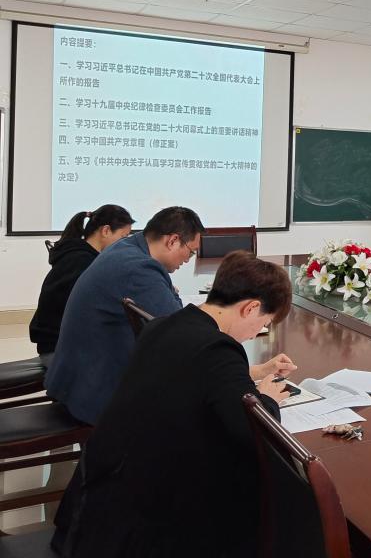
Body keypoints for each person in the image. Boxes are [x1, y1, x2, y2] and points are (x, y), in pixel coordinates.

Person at [53, 251, 297, 558]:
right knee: (264, 495)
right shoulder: (219, 349)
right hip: (141, 525)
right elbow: (252, 432)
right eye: (265, 322)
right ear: (250, 308)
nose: (256, 333)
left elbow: (194, 374)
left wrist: (255, 372)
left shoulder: (167, 324)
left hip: (97, 498)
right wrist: (267, 399)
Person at [45, 206, 205, 424]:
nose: (188, 260)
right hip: (94, 392)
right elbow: (180, 327)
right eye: (191, 251)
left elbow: (171, 306)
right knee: (195, 401)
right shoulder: (138, 268)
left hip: (76, 376)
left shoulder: (127, 248)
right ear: (173, 241)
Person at [30, 206, 135, 362]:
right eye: (123, 237)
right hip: (61, 349)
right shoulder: (83, 262)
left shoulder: (78, 255)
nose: (124, 244)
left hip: (58, 343)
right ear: (106, 230)